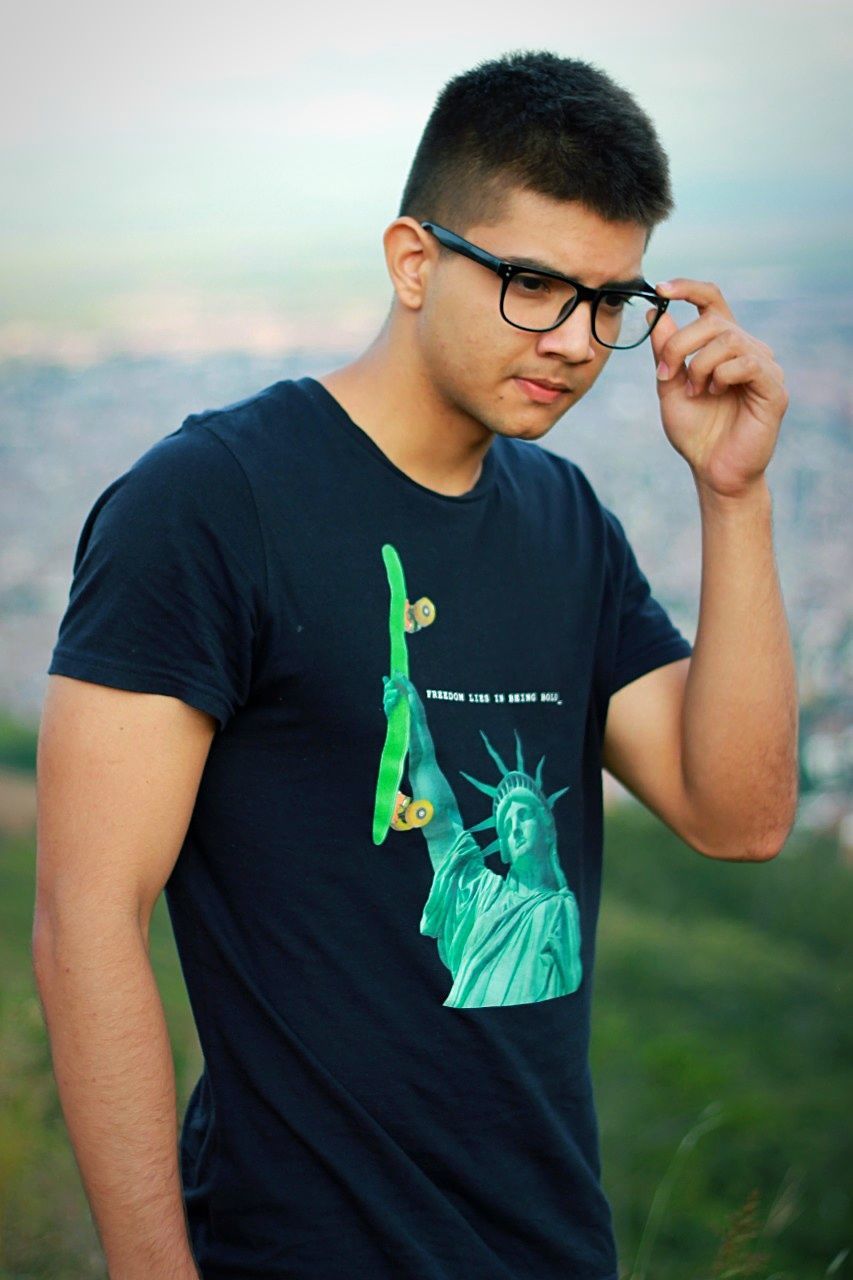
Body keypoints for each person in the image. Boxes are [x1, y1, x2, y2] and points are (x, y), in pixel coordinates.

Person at [34, 49, 798, 1280]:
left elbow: (742, 813)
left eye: (610, 300)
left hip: (553, 1245)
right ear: (412, 259)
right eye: (534, 284)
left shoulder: (565, 522)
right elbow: (85, 920)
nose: (575, 340)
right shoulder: (214, 500)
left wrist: (735, 496)